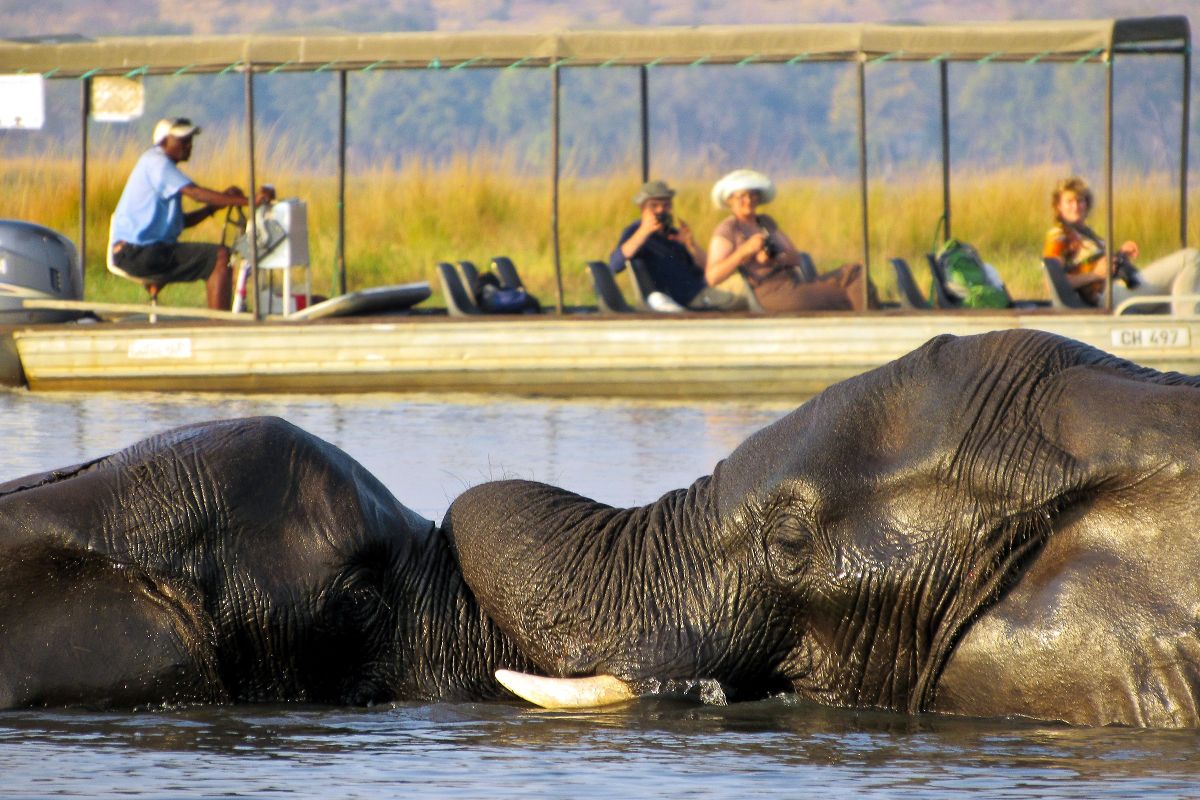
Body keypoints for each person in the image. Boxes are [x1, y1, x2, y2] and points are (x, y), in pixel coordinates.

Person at [110, 117, 273, 310]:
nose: (188, 145)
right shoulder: (157, 163)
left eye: (190, 140)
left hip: (144, 251)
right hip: (136, 253)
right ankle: (219, 326)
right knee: (219, 256)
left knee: (217, 255)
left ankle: (220, 321)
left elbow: (183, 222)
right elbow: (196, 193)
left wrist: (213, 208)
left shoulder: (160, 168)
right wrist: (250, 202)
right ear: (163, 142)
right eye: (182, 140)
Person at [705, 169, 876, 312]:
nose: (748, 201)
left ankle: (872, 324)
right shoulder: (728, 229)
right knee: (846, 296)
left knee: (854, 271)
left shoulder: (766, 222)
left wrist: (776, 257)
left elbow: (795, 257)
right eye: (741, 197)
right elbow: (713, 277)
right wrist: (745, 251)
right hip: (770, 293)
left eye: (752, 195)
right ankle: (874, 328)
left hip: (793, 282)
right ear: (730, 201)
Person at [1043, 176, 1200, 313]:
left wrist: (1119, 256)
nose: (1076, 206)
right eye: (1069, 201)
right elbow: (1053, 284)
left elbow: (1099, 265)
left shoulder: (1085, 233)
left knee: (1171, 300)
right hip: (1108, 294)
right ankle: (1188, 324)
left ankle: (1186, 324)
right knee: (1190, 258)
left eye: (1080, 200)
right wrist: (1095, 275)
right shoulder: (1059, 236)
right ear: (1058, 206)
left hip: (1121, 286)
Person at [609, 180, 746, 311]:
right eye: (654, 206)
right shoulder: (635, 232)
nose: (661, 210)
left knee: (747, 279)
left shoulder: (674, 234)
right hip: (688, 299)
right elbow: (615, 264)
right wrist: (644, 232)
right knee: (747, 285)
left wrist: (690, 245)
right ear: (642, 208)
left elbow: (709, 270)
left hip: (702, 289)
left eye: (666, 205)